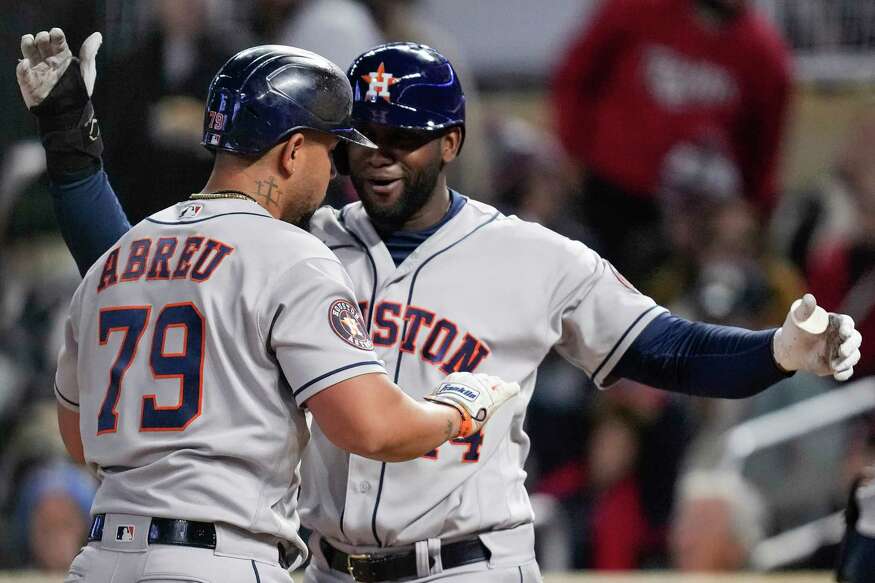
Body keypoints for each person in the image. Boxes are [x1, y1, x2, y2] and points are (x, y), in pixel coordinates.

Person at [28, 39, 862, 583]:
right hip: (321, 566)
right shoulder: (295, 242)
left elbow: (664, 350)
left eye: (405, 136)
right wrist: (74, 156)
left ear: (452, 142)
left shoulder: (533, 257)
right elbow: (135, 265)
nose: (378, 155)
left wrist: (774, 352)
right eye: (362, 137)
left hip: (465, 565)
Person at [16, 30, 518, 583]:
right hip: (218, 559)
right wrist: (458, 408)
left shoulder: (116, 259)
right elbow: (372, 429)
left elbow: (77, 438)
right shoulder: (290, 254)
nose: (334, 174)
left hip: (101, 562)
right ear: (294, 150)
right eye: (329, 151)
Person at [551, 0, 791, 282]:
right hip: (614, 194)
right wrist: (570, 150)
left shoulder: (763, 52)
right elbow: (574, 77)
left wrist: (753, 213)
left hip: (705, 219)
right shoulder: (637, 10)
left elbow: (764, 155)